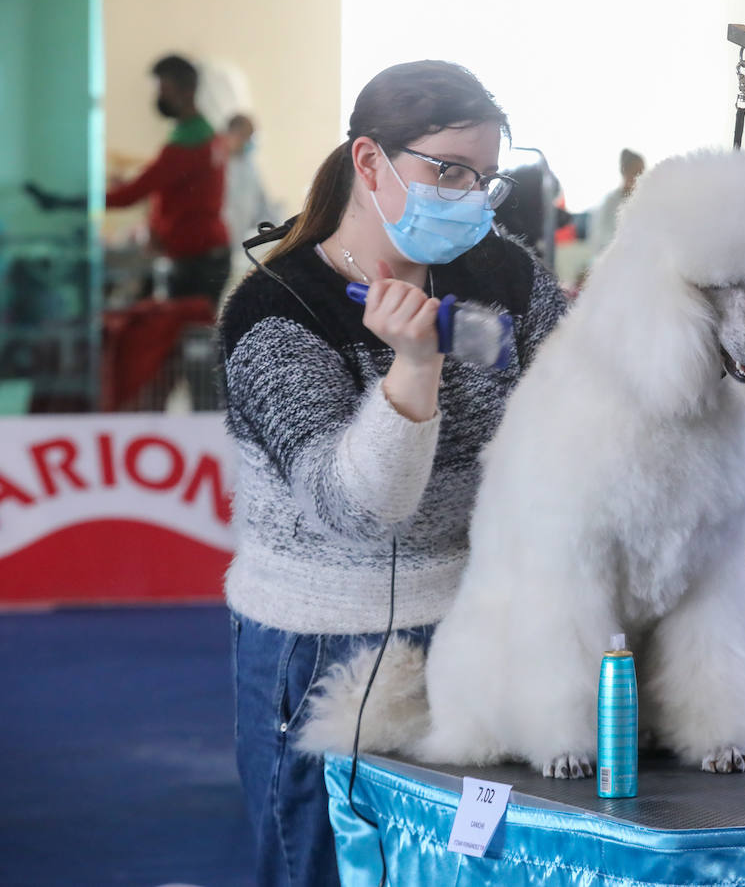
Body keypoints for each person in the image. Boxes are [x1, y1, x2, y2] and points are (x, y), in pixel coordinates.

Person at [217, 60, 567, 887]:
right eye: (446, 171)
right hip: (322, 656)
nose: (466, 198)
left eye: (483, 180)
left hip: (483, 632)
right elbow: (357, 511)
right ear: (370, 163)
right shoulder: (278, 313)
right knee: (325, 869)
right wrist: (412, 373)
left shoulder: (496, 276)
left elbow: (577, 374)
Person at [29, 54, 231, 301]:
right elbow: (173, 186)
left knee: (186, 333)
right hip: (207, 252)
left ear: (187, 91)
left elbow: (130, 196)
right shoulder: (206, 135)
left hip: (197, 259)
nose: (159, 98)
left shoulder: (187, 145)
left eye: (165, 89)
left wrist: (64, 202)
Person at [220, 112, 280, 302]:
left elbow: (263, 207)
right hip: (213, 246)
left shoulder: (249, 167)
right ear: (231, 134)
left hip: (235, 248)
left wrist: (279, 234)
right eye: (245, 138)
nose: (248, 144)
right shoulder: (215, 163)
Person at [587, 148, 645, 254]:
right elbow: (598, 239)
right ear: (624, 172)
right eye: (636, 172)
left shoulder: (646, 201)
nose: (641, 177)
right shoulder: (610, 203)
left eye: (642, 172)